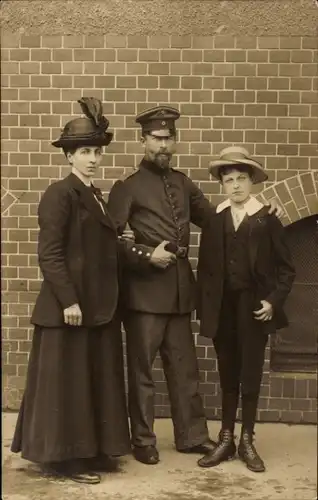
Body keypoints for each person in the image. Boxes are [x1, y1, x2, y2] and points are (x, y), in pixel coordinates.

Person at [107, 106, 284, 465]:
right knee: (142, 373)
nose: (163, 145)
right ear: (143, 141)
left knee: (186, 370)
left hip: (179, 294)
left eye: (169, 138)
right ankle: (143, 440)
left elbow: (220, 218)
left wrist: (263, 212)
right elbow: (111, 240)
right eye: (156, 139)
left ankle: (191, 436)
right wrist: (145, 253)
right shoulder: (126, 187)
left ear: (176, 141)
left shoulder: (183, 184)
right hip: (143, 295)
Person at [11, 98, 152, 484]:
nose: (92, 158)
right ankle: (64, 460)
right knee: (68, 386)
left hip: (98, 306)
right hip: (70, 309)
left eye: (96, 151)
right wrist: (68, 300)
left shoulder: (94, 195)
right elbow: (50, 254)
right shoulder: (60, 194)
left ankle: (90, 451)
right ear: (69, 156)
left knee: (90, 380)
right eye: (84, 152)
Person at [196, 146, 295, 472]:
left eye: (241, 178)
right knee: (228, 374)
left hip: (253, 309)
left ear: (252, 182)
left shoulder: (266, 219)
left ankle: (247, 439)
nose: (236, 185)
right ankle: (226, 438)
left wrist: (272, 301)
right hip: (224, 308)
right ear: (222, 184)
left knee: (250, 373)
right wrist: (207, 308)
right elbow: (207, 269)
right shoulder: (216, 219)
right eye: (229, 180)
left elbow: (286, 269)